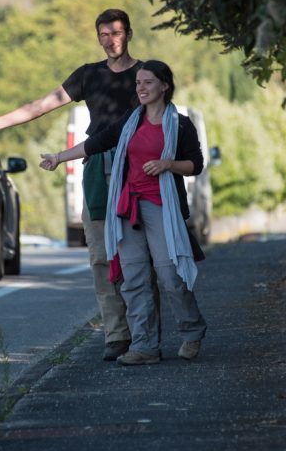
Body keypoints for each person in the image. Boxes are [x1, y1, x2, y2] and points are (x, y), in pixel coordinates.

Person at [0, 8, 140, 361]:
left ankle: (145, 332)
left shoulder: (145, 75)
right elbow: (42, 105)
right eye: (104, 34)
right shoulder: (88, 76)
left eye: (116, 33)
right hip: (97, 168)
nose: (110, 40)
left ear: (129, 34)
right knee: (101, 258)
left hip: (136, 169)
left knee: (141, 255)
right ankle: (117, 335)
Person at [40, 60, 207, 365]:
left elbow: (196, 164)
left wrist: (168, 164)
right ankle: (145, 346)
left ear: (164, 86)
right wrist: (58, 157)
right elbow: (96, 143)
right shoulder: (131, 120)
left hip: (162, 207)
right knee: (134, 278)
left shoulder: (180, 124)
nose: (141, 88)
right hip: (128, 207)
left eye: (148, 82)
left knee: (170, 275)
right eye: (138, 83)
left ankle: (192, 330)